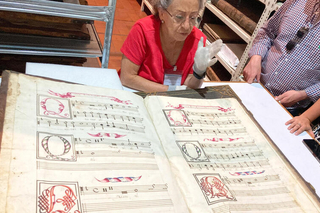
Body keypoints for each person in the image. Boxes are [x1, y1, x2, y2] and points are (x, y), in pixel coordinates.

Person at [119, 0, 223, 92]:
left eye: (193, 17)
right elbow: (127, 77)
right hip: (135, 93)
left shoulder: (197, 40)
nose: (187, 26)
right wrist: (170, 91)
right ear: (161, 13)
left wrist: (199, 72)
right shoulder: (142, 30)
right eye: (179, 17)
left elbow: (190, 85)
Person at [243, 0, 320, 115]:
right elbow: (267, 32)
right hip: (255, 85)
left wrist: (304, 94)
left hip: (288, 107)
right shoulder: (296, 2)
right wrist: (256, 57)